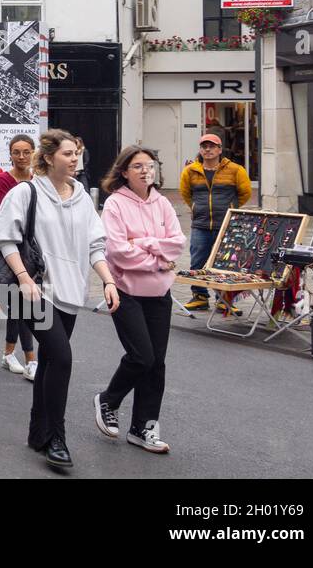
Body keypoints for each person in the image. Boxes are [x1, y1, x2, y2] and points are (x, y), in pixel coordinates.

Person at [0, 129, 118, 473]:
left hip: (71, 291)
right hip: (32, 290)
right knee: (62, 358)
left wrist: (107, 280)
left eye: (76, 153)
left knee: (49, 360)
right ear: (48, 158)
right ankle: (56, 439)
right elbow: (5, 239)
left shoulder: (81, 197)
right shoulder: (25, 192)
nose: (75, 158)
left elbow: (95, 245)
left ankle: (37, 430)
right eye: (67, 153)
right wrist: (23, 277)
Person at [96, 146, 183, 455]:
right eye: (138, 166)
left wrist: (144, 245)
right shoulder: (115, 205)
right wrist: (157, 258)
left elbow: (176, 244)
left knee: (156, 363)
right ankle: (109, 399)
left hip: (160, 293)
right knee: (141, 356)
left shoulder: (163, 203)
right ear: (124, 172)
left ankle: (143, 427)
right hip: (125, 292)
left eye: (149, 165)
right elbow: (118, 252)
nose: (146, 171)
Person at [178, 133, 252, 314]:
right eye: (204, 146)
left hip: (227, 225)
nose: (208, 149)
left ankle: (224, 300)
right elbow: (186, 194)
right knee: (197, 262)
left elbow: (245, 193)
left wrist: (230, 208)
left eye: (212, 146)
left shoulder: (235, 170)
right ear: (200, 150)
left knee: (225, 265)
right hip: (200, 224)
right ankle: (200, 297)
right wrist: (196, 207)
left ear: (220, 150)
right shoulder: (190, 171)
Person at [0, 133, 38, 380]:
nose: (21, 157)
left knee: (20, 303)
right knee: (22, 303)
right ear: (9, 154)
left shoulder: (38, 179)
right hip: (12, 247)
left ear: (33, 152)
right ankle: (30, 359)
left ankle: (9, 353)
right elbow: (6, 212)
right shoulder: (3, 180)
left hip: (34, 249)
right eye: (16, 152)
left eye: (26, 152)